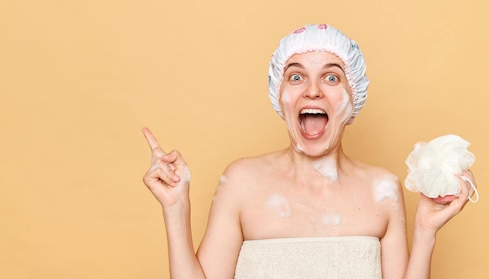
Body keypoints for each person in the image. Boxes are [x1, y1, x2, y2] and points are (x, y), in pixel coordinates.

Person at [141, 24, 476, 279]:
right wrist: (175, 208)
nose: (313, 90)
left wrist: (425, 233)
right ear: (279, 93)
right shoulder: (242, 182)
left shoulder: (383, 189)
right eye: (297, 76)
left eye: (331, 78)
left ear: (353, 95)